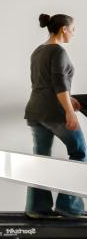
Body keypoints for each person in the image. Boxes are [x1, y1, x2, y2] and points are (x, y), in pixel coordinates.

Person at [26, 12, 86, 218]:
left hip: (35, 110)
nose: (73, 34)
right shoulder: (58, 51)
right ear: (64, 29)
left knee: (41, 157)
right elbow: (59, 85)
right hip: (54, 112)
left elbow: (44, 85)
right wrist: (69, 111)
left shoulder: (38, 51)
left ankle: (37, 208)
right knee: (79, 152)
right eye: (73, 30)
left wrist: (71, 101)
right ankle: (68, 206)